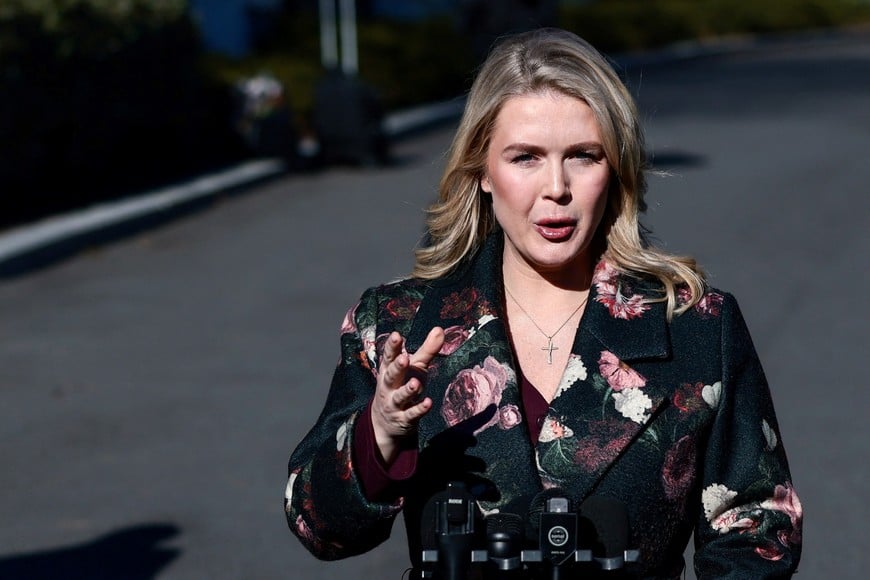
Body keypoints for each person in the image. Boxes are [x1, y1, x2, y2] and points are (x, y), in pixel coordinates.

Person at [284, 28, 802, 579]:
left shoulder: (695, 324)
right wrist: (380, 433)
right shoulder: (399, 325)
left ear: (616, 169)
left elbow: (758, 532)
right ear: (482, 171)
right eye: (526, 157)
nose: (556, 187)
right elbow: (320, 527)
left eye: (583, 156)